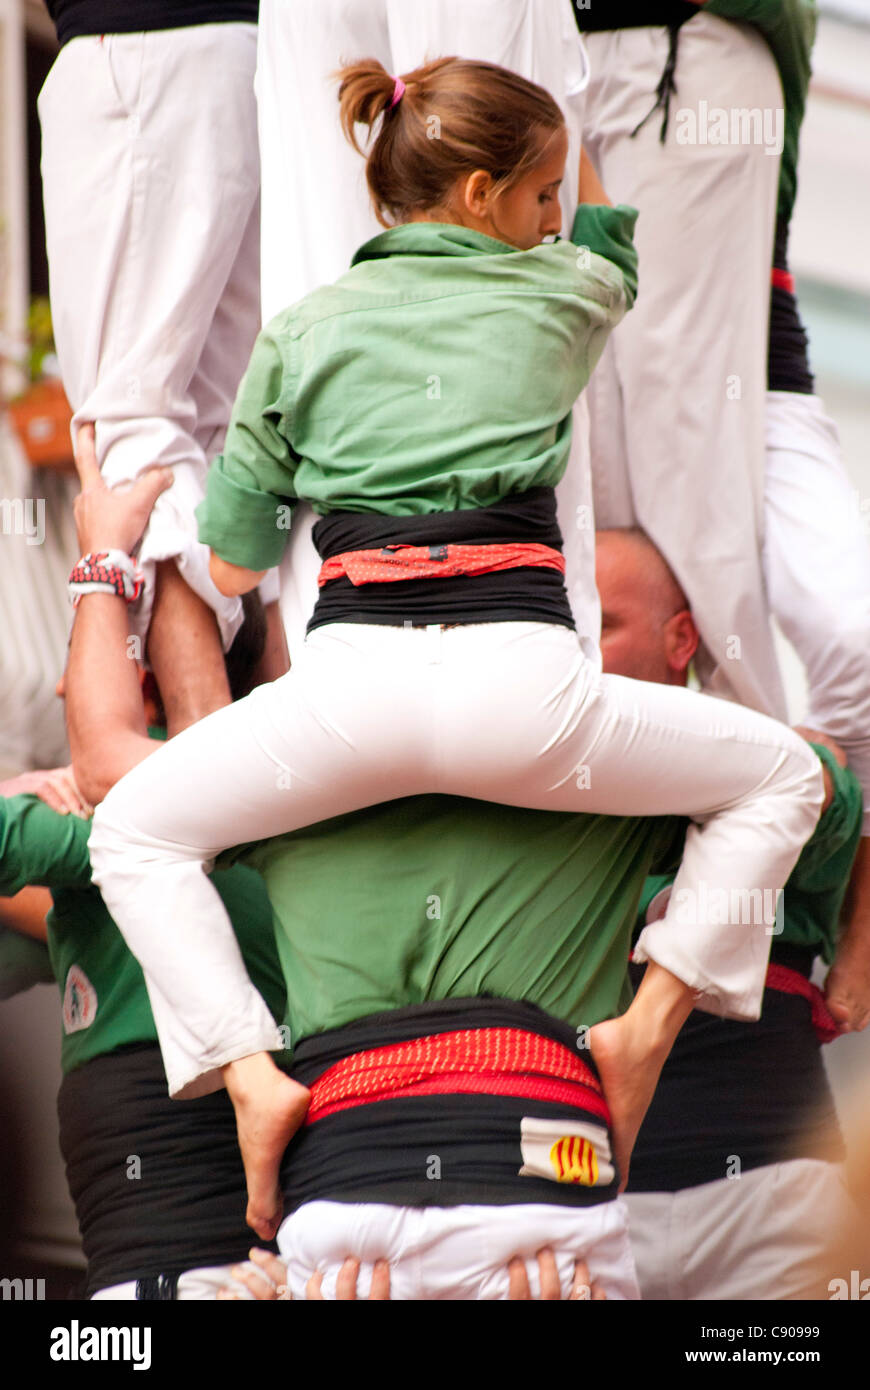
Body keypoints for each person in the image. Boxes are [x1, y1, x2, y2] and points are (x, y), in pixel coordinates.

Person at [85, 57, 824, 1241]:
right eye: (537, 202)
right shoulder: (562, 297)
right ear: (485, 196)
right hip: (522, 703)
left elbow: (233, 558)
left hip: (347, 702)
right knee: (784, 773)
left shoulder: (302, 331)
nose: (551, 224)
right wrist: (566, 137)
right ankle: (640, 1036)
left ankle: (248, 1072)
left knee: (133, 833)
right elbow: (611, 247)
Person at [594, 526, 863, 1299]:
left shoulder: (784, 763)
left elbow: (824, 790)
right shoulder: (529, 794)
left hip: (778, 1204)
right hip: (595, 1206)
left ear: (682, 637)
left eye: (604, 625)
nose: (583, 651)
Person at [38, 1, 287, 736]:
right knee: (218, 438)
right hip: (237, 51)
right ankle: (289, 788)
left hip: (141, 47)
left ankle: (210, 770)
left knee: (134, 433)